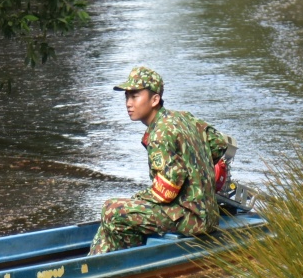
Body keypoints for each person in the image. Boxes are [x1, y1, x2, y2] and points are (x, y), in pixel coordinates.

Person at [89, 66, 234, 255]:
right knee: (115, 214)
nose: (128, 103)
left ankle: (129, 258)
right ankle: (96, 258)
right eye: (127, 96)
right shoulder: (183, 117)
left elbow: (167, 189)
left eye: (135, 96)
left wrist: (137, 199)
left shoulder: (159, 133)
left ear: (155, 99)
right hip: (208, 213)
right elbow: (221, 143)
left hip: (192, 219)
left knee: (112, 210)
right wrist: (199, 169)